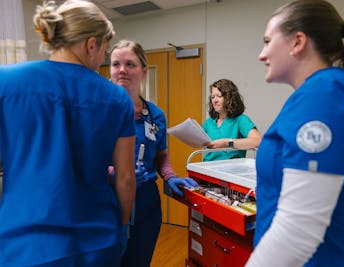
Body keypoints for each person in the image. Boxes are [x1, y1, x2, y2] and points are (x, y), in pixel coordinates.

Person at [245, 1, 344, 266]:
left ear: (297, 42)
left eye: (268, 41)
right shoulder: (322, 93)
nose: (262, 54)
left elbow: (298, 231)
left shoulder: (326, 95)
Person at [0, 1, 136, 266]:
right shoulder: (117, 98)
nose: (101, 61)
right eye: (105, 52)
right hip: (97, 243)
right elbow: (126, 178)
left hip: (25, 246)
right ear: (91, 44)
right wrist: (119, 227)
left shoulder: (6, 83)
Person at [109, 40, 198, 267]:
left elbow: (161, 155)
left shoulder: (155, 115)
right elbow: (85, 158)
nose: (122, 70)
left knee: (139, 261)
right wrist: (113, 173)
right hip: (109, 198)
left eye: (130, 64)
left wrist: (170, 176)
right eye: (115, 64)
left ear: (143, 71)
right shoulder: (100, 110)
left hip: (146, 200)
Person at [202, 78, 261, 161]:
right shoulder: (209, 123)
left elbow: (257, 141)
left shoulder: (241, 120)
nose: (215, 100)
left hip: (230, 169)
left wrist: (227, 143)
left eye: (219, 96)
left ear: (230, 98)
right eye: (212, 97)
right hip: (207, 168)